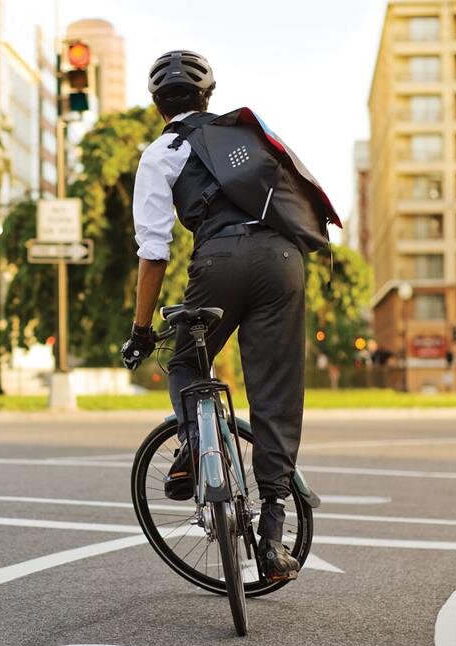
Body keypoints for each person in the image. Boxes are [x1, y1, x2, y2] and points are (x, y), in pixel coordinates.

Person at [121, 50, 309, 581]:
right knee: (275, 392)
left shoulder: (161, 154)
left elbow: (154, 250)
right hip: (283, 259)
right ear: (209, 97)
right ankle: (273, 536)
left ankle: (194, 448)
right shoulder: (248, 134)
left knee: (181, 359)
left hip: (220, 259)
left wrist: (140, 332)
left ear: (158, 105)